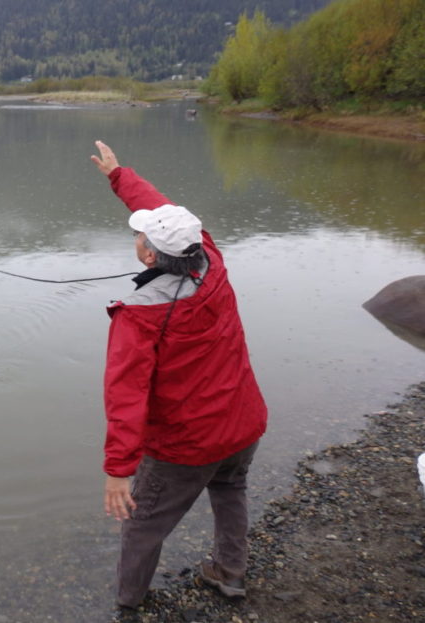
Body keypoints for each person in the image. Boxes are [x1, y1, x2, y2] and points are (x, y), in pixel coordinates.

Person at [90, 141, 268, 623]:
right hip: (243, 422)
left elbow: (125, 398)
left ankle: (128, 604)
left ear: (147, 252)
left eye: (143, 235)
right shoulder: (209, 254)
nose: (141, 236)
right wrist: (118, 175)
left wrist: (117, 471)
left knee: (143, 523)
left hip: (187, 446)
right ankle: (230, 572)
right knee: (231, 490)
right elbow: (159, 206)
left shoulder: (138, 316)